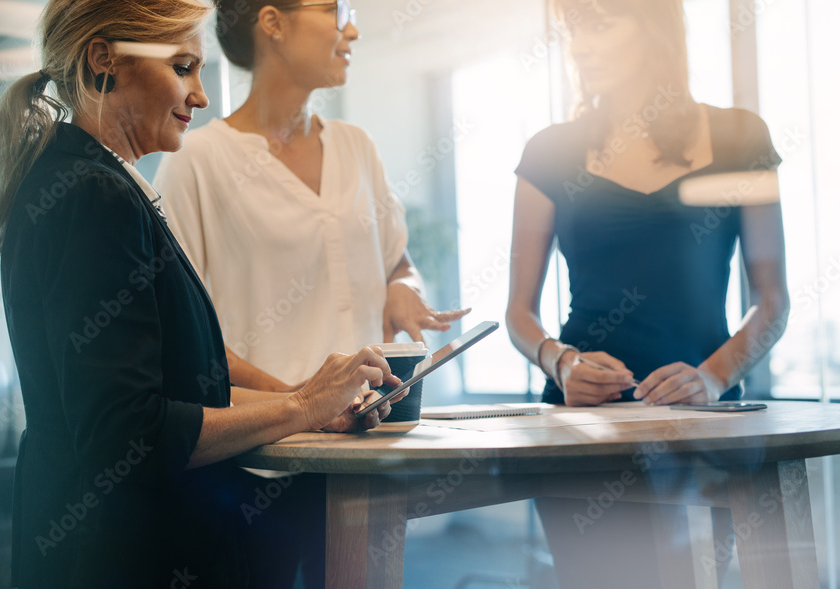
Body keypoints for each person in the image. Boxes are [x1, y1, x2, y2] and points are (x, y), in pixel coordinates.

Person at [0, 1, 400, 587]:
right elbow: (128, 433)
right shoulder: (92, 196)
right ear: (104, 61)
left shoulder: (92, 181)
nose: (201, 95)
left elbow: (183, 392)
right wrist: (298, 408)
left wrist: (308, 401)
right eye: (183, 68)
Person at [504, 0, 789, 586]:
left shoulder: (739, 136)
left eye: (602, 22)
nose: (581, 43)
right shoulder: (550, 151)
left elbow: (773, 300)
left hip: (703, 427)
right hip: (581, 432)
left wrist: (711, 378)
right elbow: (518, 313)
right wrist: (561, 363)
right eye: (574, 27)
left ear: (654, 26)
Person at [153, 0, 469, 394]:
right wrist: (302, 406)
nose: (352, 30)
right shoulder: (197, 162)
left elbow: (398, 264)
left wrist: (405, 287)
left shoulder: (357, 147)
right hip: (269, 446)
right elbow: (188, 334)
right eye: (337, 11)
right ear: (273, 23)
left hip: (374, 426)